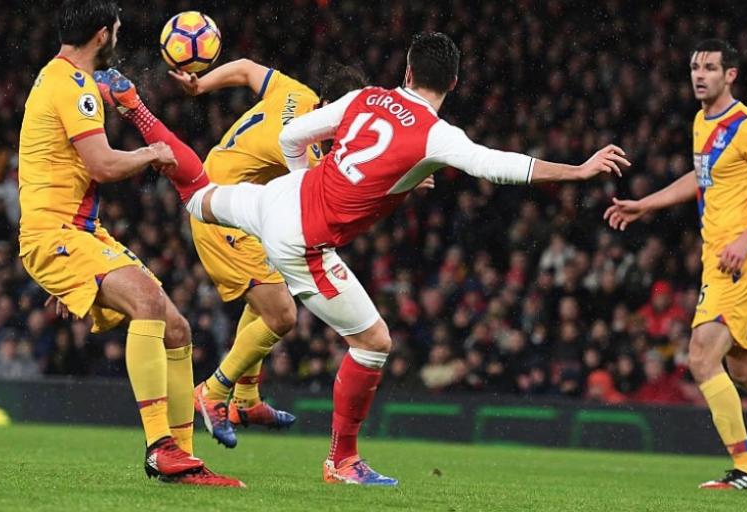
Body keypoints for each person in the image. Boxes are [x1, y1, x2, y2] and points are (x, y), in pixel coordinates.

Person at [97, 31, 628, 486]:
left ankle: (135, 108)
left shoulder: (366, 97)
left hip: (273, 199)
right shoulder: (435, 134)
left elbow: (291, 135)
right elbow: (498, 166)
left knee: (196, 194)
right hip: (301, 240)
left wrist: (305, 178)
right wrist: (578, 171)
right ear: (454, 84)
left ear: (406, 69)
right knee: (373, 344)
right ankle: (341, 460)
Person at [17, 0, 241, 487]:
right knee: (145, 302)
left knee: (177, 327)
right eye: (116, 30)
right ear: (102, 33)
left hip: (76, 233)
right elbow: (102, 163)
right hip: (56, 233)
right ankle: (160, 447)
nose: (118, 36)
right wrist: (151, 154)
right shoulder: (72, 85)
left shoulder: (61, 78)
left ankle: (183, 459)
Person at [605, 39, 747, 491]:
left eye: (710, 68)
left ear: (730, 75)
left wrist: (746, 239)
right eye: (695, 67)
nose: (699, 75)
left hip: (741, 258)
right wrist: (646, 205)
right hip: (721, 257)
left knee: (701, 356)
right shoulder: (702, 121)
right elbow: (702, 175)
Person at [155, 60, 365, 448]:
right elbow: (331, 197)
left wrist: (201, 86)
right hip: (222, 212)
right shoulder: (306, 145)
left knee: (268, 299)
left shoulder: (296, 93)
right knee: (283, 314)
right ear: (328, 106)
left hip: (237, 202)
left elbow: (248, 69)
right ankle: (213, 392)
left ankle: (246, 401)